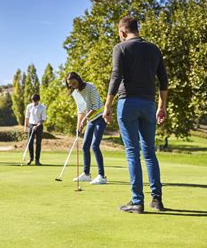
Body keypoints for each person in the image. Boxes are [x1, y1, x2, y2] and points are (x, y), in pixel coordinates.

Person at [103, 16, 168, 214]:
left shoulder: (120, 48)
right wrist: (162, 106)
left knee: (132, 153)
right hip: (149, 105)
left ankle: (136, 201)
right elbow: (163, 80)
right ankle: (157, 200)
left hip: (128, 103)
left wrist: (107, 105)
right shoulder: (154, 49)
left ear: (123, 32)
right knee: (149, 153)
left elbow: (116, 77)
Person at [66, 72, 107, 185]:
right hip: (90, 120)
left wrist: (84, 120)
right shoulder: (75, 93)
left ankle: (102, 176)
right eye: (70, 85)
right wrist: (79, 124)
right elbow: (80, 110)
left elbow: (95, 106)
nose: (73, 86)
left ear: (79, 79)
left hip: (100, 117)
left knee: (94, 146)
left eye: (74, 83)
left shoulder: (90, 87)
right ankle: (86, 174)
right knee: (85, 146)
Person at [24, 94, 46, 166]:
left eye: (35, 101)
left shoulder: (42, 107)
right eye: (33, 101)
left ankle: (37, 160)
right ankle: (31, 158)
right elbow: (27, 117)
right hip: (30, 125)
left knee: (38, 144)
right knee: (30, 143)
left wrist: (37, 126)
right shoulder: (29, 106)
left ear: (38, 100)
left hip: (39, 126)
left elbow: (43, 119)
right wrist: (26, 127)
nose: (34, 103)